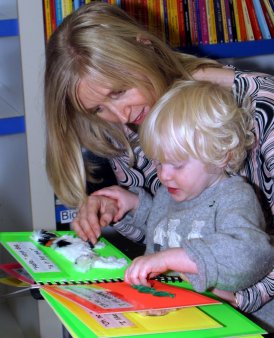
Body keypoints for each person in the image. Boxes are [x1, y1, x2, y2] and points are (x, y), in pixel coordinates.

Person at [44, 1, 274, 328]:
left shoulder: (261, 108)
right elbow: (170, 224)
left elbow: (251, 250)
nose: (121, 116)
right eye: (97, 110)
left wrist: (240, 298)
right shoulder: (128, 128)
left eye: (120, 91)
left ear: (145, 47)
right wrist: (126, 208)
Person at [92, 80, 274, 330]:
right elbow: (164, 229)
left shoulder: (235, 196)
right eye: (158, 163)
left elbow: (251, 254)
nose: (164, 175)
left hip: (235, 325)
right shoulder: (171, 193)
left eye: (177, 165)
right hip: (180, 318)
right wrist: (134, 205)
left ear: (222, 155)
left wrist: (171, 259)